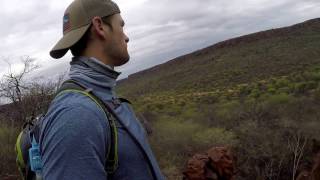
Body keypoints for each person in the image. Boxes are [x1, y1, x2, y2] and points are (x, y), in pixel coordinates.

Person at [39, 0, 165, 179]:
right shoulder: (77, 115)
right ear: (100, 26)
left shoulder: (100, 96)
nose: (126, 36)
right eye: (121, 25)